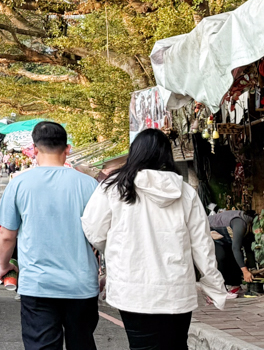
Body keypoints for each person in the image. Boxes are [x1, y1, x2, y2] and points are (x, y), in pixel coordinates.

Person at [83, 130, 229, 346]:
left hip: (132, 288)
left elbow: (93, 230)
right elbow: (202, 245)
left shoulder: (114, 187)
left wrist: (114, 249)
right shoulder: (186, 192)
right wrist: (213, 285)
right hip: (177, 289)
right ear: (166, 155)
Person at [0, 121, 99, 350]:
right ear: (68, 149)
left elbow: (6, 236)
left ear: (33, 149)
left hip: (38, 285)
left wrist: (4, 266)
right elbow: (103, 234)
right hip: (81, 285)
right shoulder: (89, 185)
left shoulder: (19, 183)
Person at [209, 208, 257, 295]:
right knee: (222, 257)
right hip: (211, 230)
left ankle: (235, 286)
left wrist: (253, 270)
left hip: (225, 236)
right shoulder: (240, 224)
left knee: (235, 256)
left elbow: (248, 249)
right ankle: (219, 290)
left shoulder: (249, 228)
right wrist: (245, 272)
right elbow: (236, 248)